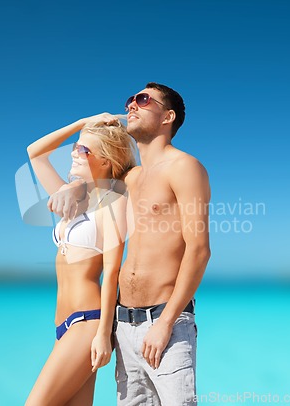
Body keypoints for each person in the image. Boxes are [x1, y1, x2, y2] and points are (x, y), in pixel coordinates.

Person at [52, 83, 211, 405]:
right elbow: (97, 169)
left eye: (142, 100)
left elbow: (199, 250)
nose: (132, 106)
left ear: (168, 117)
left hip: (165, 321)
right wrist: (77, 185)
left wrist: (165, 323)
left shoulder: (184, 167)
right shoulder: (131, 178)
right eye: (130, 100)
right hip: (122, 325)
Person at [24, 113, 136, 406]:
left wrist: (103, 334)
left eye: (84, 150)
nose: (74, 152)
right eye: (76, 146)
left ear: (106, 161)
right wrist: (81, 124)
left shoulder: (116, 201)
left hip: (88, 322)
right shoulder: (70, 196)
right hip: (63, 325)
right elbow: (35, 154)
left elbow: (112, 271)